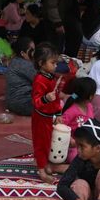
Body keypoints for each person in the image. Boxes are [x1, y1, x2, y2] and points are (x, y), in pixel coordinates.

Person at [31, 44, 66, 181]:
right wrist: (46, 99)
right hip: (41, 117)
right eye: (53, 63)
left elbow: (56, 98)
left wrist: (58, 114)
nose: (56, 65)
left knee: (48, 142)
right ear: (41, 63)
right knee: (41, 143)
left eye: (56, 63)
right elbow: (36, 101)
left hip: (49, 116)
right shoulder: (40, 80)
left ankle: (44, 164)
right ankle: (41, 171)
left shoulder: (50, 76)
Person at [57, 77, 97, 167]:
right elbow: (59, 127)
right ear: (91, 96)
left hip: (87, 142)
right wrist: (70, 140)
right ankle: (57, 168)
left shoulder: (89, 106)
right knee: (78, 160)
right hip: (73, 146)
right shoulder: (72, 111)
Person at [5, 37, 38, 116]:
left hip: (13, 102)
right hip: (23, 103)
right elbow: (41, 81)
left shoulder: (15, 61)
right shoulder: (24, 65)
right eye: (31, 50)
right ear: (23, 53)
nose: (34, 52)